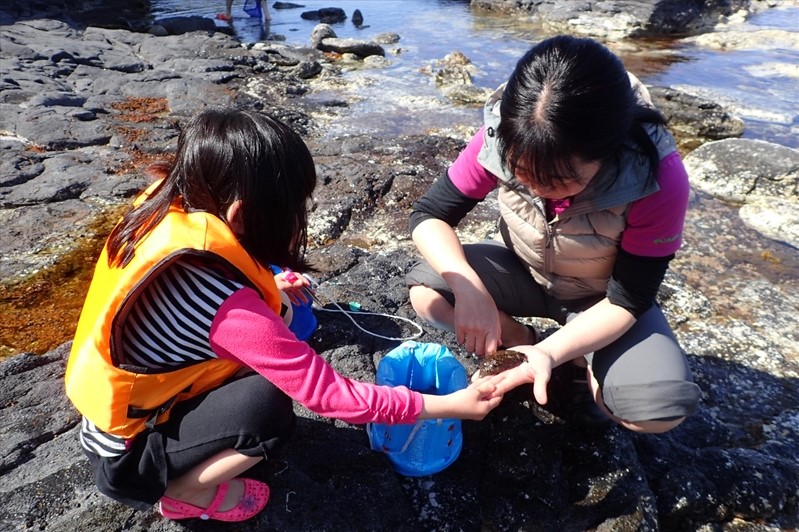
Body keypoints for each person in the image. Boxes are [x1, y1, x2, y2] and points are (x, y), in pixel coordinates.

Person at [65, 109, 502, 522]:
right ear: (240, 215)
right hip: (130, 456)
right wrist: (445, 406)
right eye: (295, 206)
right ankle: (185, 491)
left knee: (280, 334)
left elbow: (174, 308)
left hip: (116, 416)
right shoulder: (225, 306)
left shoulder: (164, 210)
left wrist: (267, 289)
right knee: (268, 411)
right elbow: (329, 397)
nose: (300, 218)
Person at [405, 35, 701, 434]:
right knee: (428, 293)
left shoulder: (657, 178)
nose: (540, 188)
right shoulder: (503, 138)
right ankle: (520, 338)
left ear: (606, 152)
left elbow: (629, 298)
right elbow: (429, 214)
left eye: (560, 181)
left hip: (603, 298)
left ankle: (579, 360)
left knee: (654, 412)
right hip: (524, 271)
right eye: (523, 173)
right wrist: (471, 287)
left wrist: (550, 353)